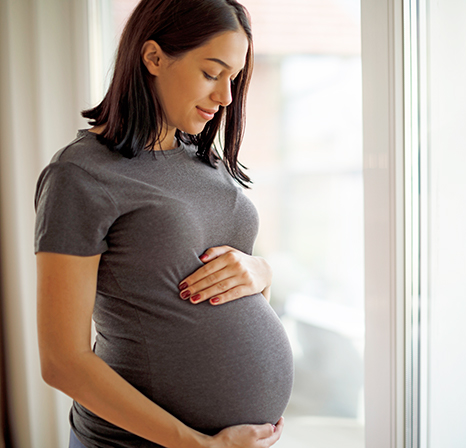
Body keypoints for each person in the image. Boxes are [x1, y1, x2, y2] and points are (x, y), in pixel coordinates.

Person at [34, 0, 294, 446]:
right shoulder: (80, 175)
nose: (226, 97)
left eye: (234, 78)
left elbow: (223, 281)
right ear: (153, 57)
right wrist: (198, 444)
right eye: (212, 73)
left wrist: (260, 271)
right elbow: (62, 360)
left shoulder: (203, 159)